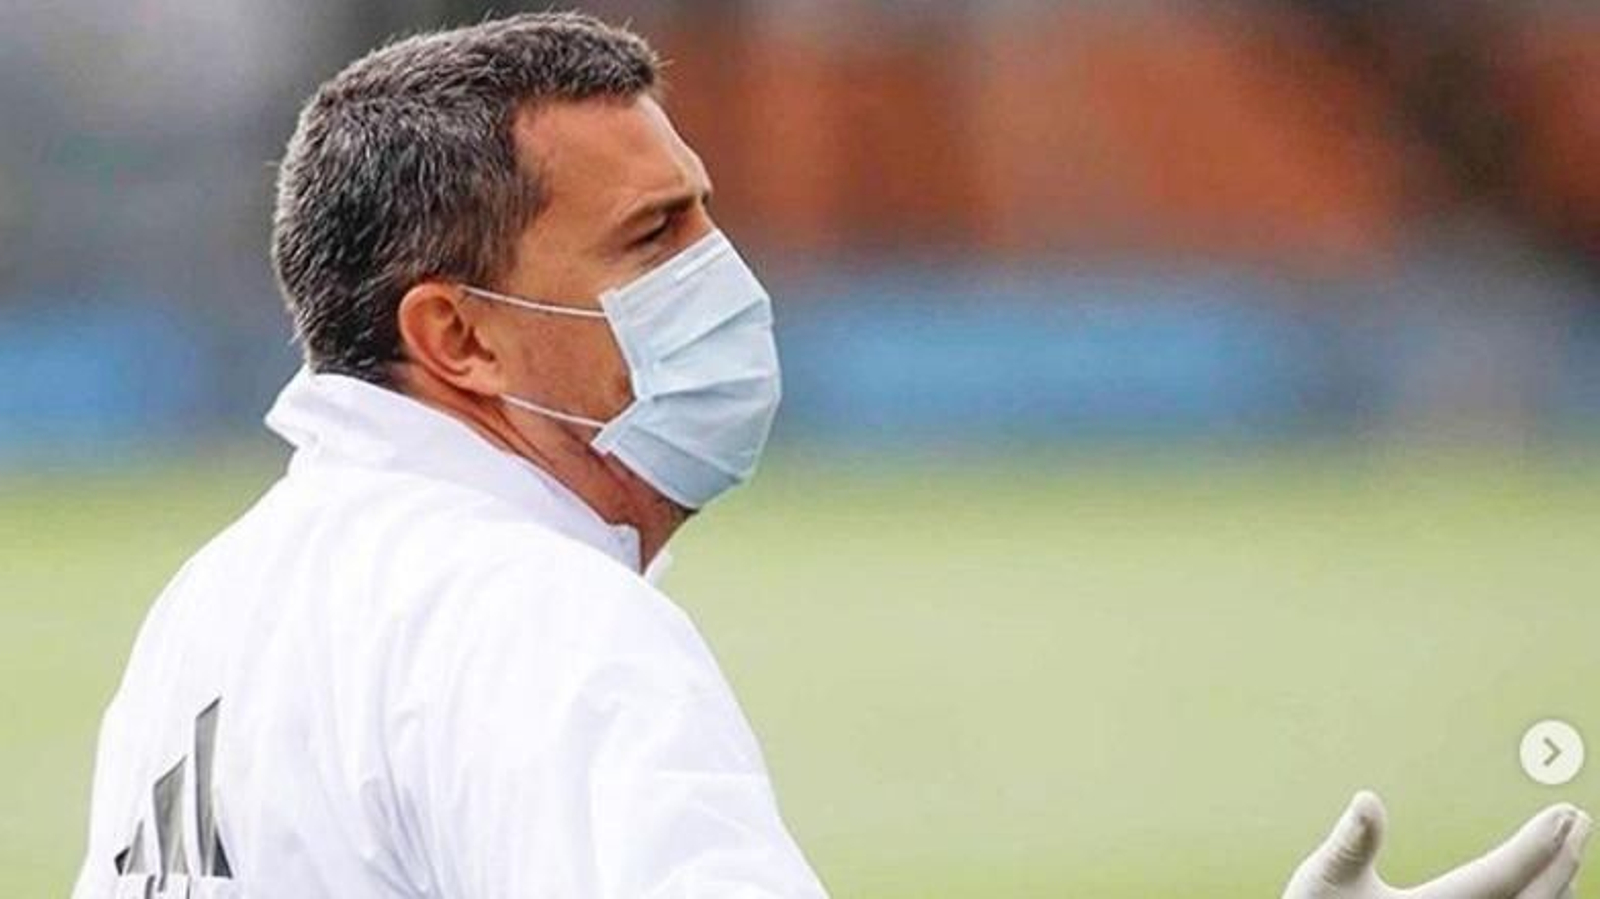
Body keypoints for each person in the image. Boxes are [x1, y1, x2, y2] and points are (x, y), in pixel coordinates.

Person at [70, 13, 1589, 899]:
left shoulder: (213, 614)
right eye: (653, 237)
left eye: (706, 211)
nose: (726, 276)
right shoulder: (533, 621)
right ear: (456, 338)